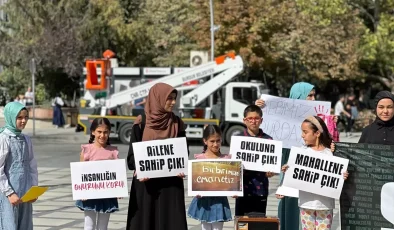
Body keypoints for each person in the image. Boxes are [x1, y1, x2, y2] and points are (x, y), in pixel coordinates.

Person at [255, 82, 335, 230]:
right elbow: (262, 133)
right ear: (298, 97)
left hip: (312, 172)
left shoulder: (317, 118)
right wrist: (259, 108)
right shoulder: (282, 114)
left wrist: (331, 124)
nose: (313, 99)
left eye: (313, 95)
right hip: (290, 167)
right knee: (290, 203)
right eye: (309, 95)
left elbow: (329, 143)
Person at [126, 83, 188, 230]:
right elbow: (131, 158)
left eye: (174, 99)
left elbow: (183, 152)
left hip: (170, 186)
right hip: (146, 186)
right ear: (158, 98)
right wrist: (140, 168)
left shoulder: (177, 123)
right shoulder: (142, 123)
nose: (173, 102)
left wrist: (182, 167)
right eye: (169, 99)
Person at [281, 116, 348, 230]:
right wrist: (286, 173)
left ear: (317, 133)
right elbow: (294, 176)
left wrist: (343, 176)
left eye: (305, 132)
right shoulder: (301, 152)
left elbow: (337, 173)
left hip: (325, 205)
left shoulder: (330, 154)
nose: (302, 135)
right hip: (306, 204)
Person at [75, 117, 120, 230]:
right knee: (89, 225)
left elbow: (116, 174)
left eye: (105, 132)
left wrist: (118, 189)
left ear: (109, 132)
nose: (102, 135)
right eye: (99, 132)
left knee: (103, 226)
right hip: (89, 195)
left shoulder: (113, 152)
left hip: (107, 195)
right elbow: (81, 172)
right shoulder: (86, 150)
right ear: (93, 132)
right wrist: (82, 191)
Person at [0, 102, 38, 230]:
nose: (23, 121)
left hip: (25, 193)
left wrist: (34, 189)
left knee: (25, 225)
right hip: (9, 195)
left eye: (26, 117)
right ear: (11, 117)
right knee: (9, 224)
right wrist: (9, 193)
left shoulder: (26, 139)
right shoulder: (4, 139)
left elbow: (32, 165)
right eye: (19, 118)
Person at [187, 125, 232, 230]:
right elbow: (196, 180)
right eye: (212, 141)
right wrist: (195, 191)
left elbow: (231, 180)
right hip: (204, 200)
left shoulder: (226, 159)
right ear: (205, 141)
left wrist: (235, 190)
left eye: (218, 141)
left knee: (218, 228)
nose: (216, 144)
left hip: (219, 201)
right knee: (205, 228)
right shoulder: (199, 159)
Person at [234, 105, 274, 217]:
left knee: (258, 223)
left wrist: (271, 172)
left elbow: (272, 164)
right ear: (244, 120)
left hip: (260, 190)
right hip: (242, 190)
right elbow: (232, 164)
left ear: (261, 120)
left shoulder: (268, 140)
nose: (253, 121)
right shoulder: (238, 139)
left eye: (256, 118)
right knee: (242, 224)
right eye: (250, 118)